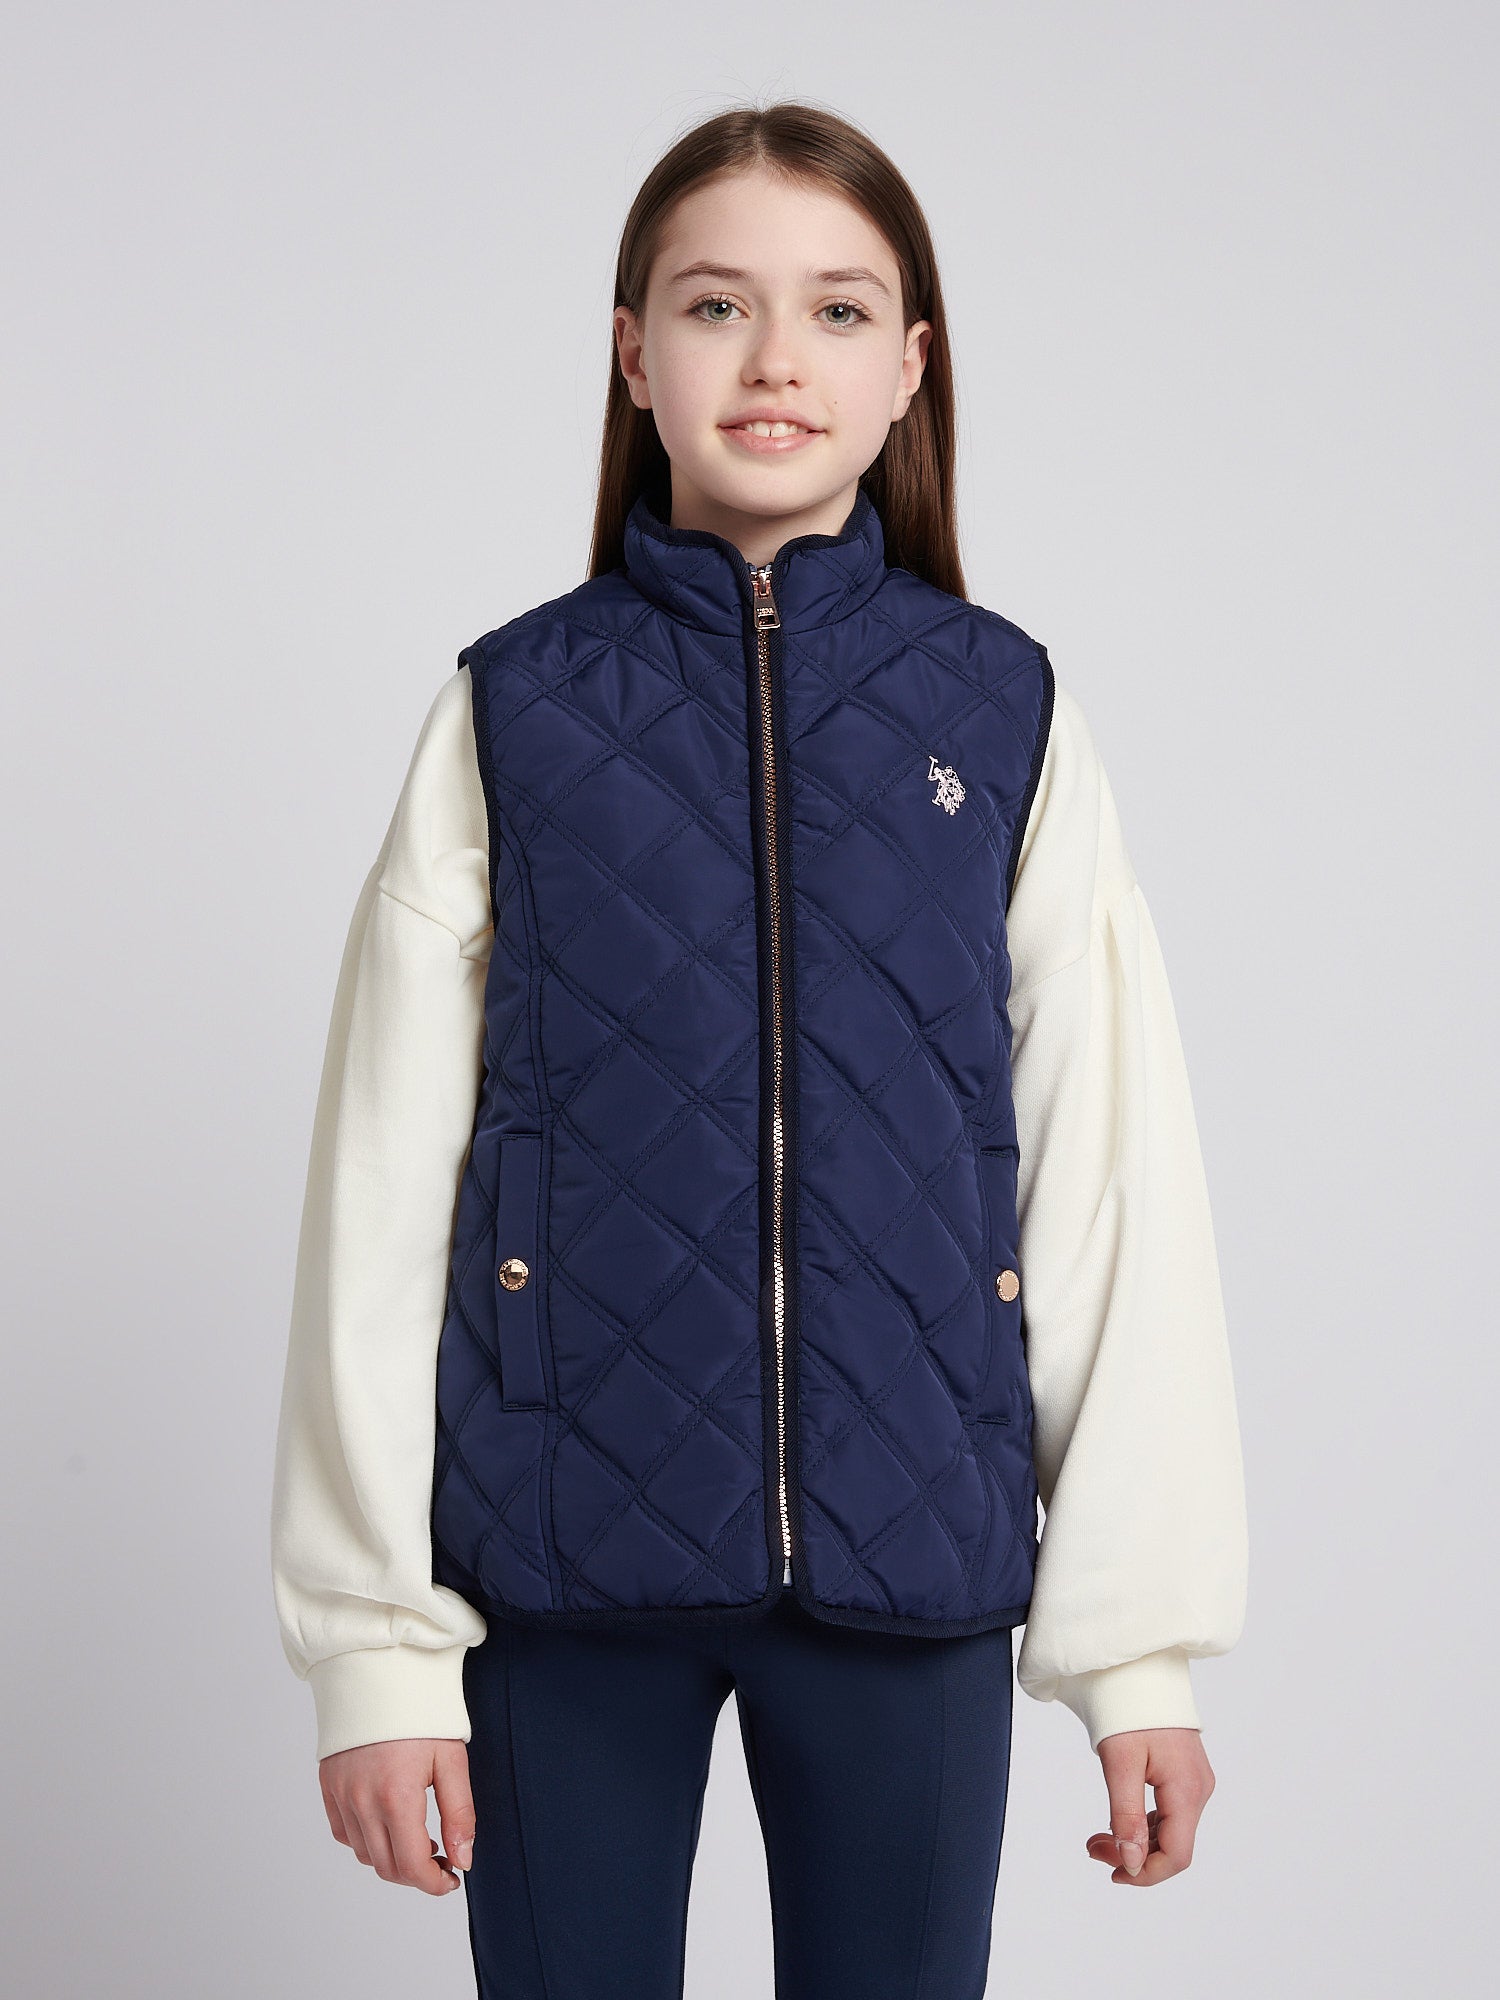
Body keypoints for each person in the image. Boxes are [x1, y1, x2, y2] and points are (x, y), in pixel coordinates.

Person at [270, 100, 1249, 1999]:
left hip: (913, 1563)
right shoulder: (512, 711)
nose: (777, 357)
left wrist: (1139, 1650)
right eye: (717, 305)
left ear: (911, 369)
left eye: (838, 311)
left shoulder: (1006, 712)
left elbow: (1110, 1173)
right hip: (560, 1561)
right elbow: (381, 1189)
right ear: (634, 355)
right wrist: (376, 1650)